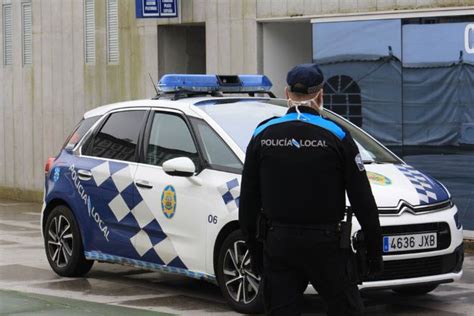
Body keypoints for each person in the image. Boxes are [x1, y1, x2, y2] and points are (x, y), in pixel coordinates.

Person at [239, 63, 383, 315]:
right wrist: (374, 249)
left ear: (287, 93)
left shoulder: (262, 134)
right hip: (326, 244)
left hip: (278, 242)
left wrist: (254, 247)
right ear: (320, 95)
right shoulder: (337, 135)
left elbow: (249, 199)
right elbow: (363, 199)